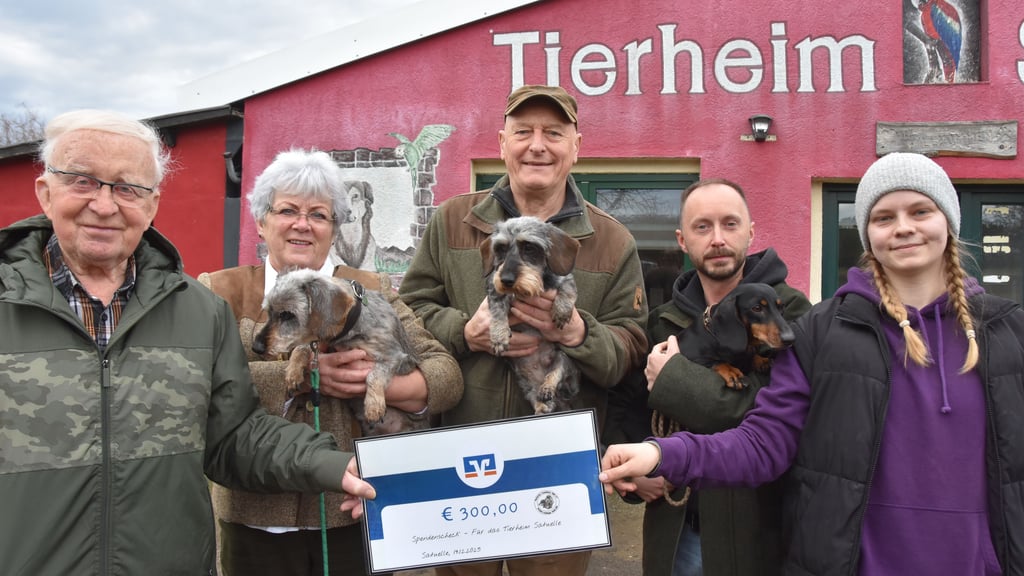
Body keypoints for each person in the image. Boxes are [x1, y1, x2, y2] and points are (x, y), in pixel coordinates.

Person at [601, 152, 1024, 575]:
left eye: (920, 210)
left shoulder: (1009, 332)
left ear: (948, 220)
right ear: (866, 233)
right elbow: (763, 442)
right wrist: (660, 454)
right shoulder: (823, 333)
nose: (904, 227)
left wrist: (677, 382)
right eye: (883, 217)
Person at [0, 110, 375, 575]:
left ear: (153, 203)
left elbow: (234, 435)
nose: (104, 204)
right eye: (82, 181)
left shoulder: (199, 312)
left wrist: (333, 466)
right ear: (45, 192)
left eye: (127, 187)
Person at [399, 85, 648, 576]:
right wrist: (462, 331)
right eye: (523, 132)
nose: (537, 145)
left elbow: (630, 349)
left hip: (557, 467)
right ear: (501, 143)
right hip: (462, 458)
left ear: (576, 146)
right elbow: (408, 314)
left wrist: (580, 333)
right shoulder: (452, 220)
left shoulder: (613, 240)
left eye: (553, 133)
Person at [198, 148, 463, 576]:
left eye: (319, 215)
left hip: (352, 514)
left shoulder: (371, 290)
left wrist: (378, 385)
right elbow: (197, 382)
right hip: (254, 513)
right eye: (287, 210)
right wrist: (299, 379)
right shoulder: (220, 290)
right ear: (261, 222)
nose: (303, 224)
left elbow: (446, 375)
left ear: (334, 228)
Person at [606, 179, 811, 576]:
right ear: (683, 240)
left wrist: (675, 380)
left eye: (730, 224)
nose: (717, 238)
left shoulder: (792, 313)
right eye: (703, 227)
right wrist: (637, 470)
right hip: (675, 527)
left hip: (759, 532)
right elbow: (626, 402)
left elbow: (765, 415)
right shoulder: (664, 319)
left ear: (750, 232)